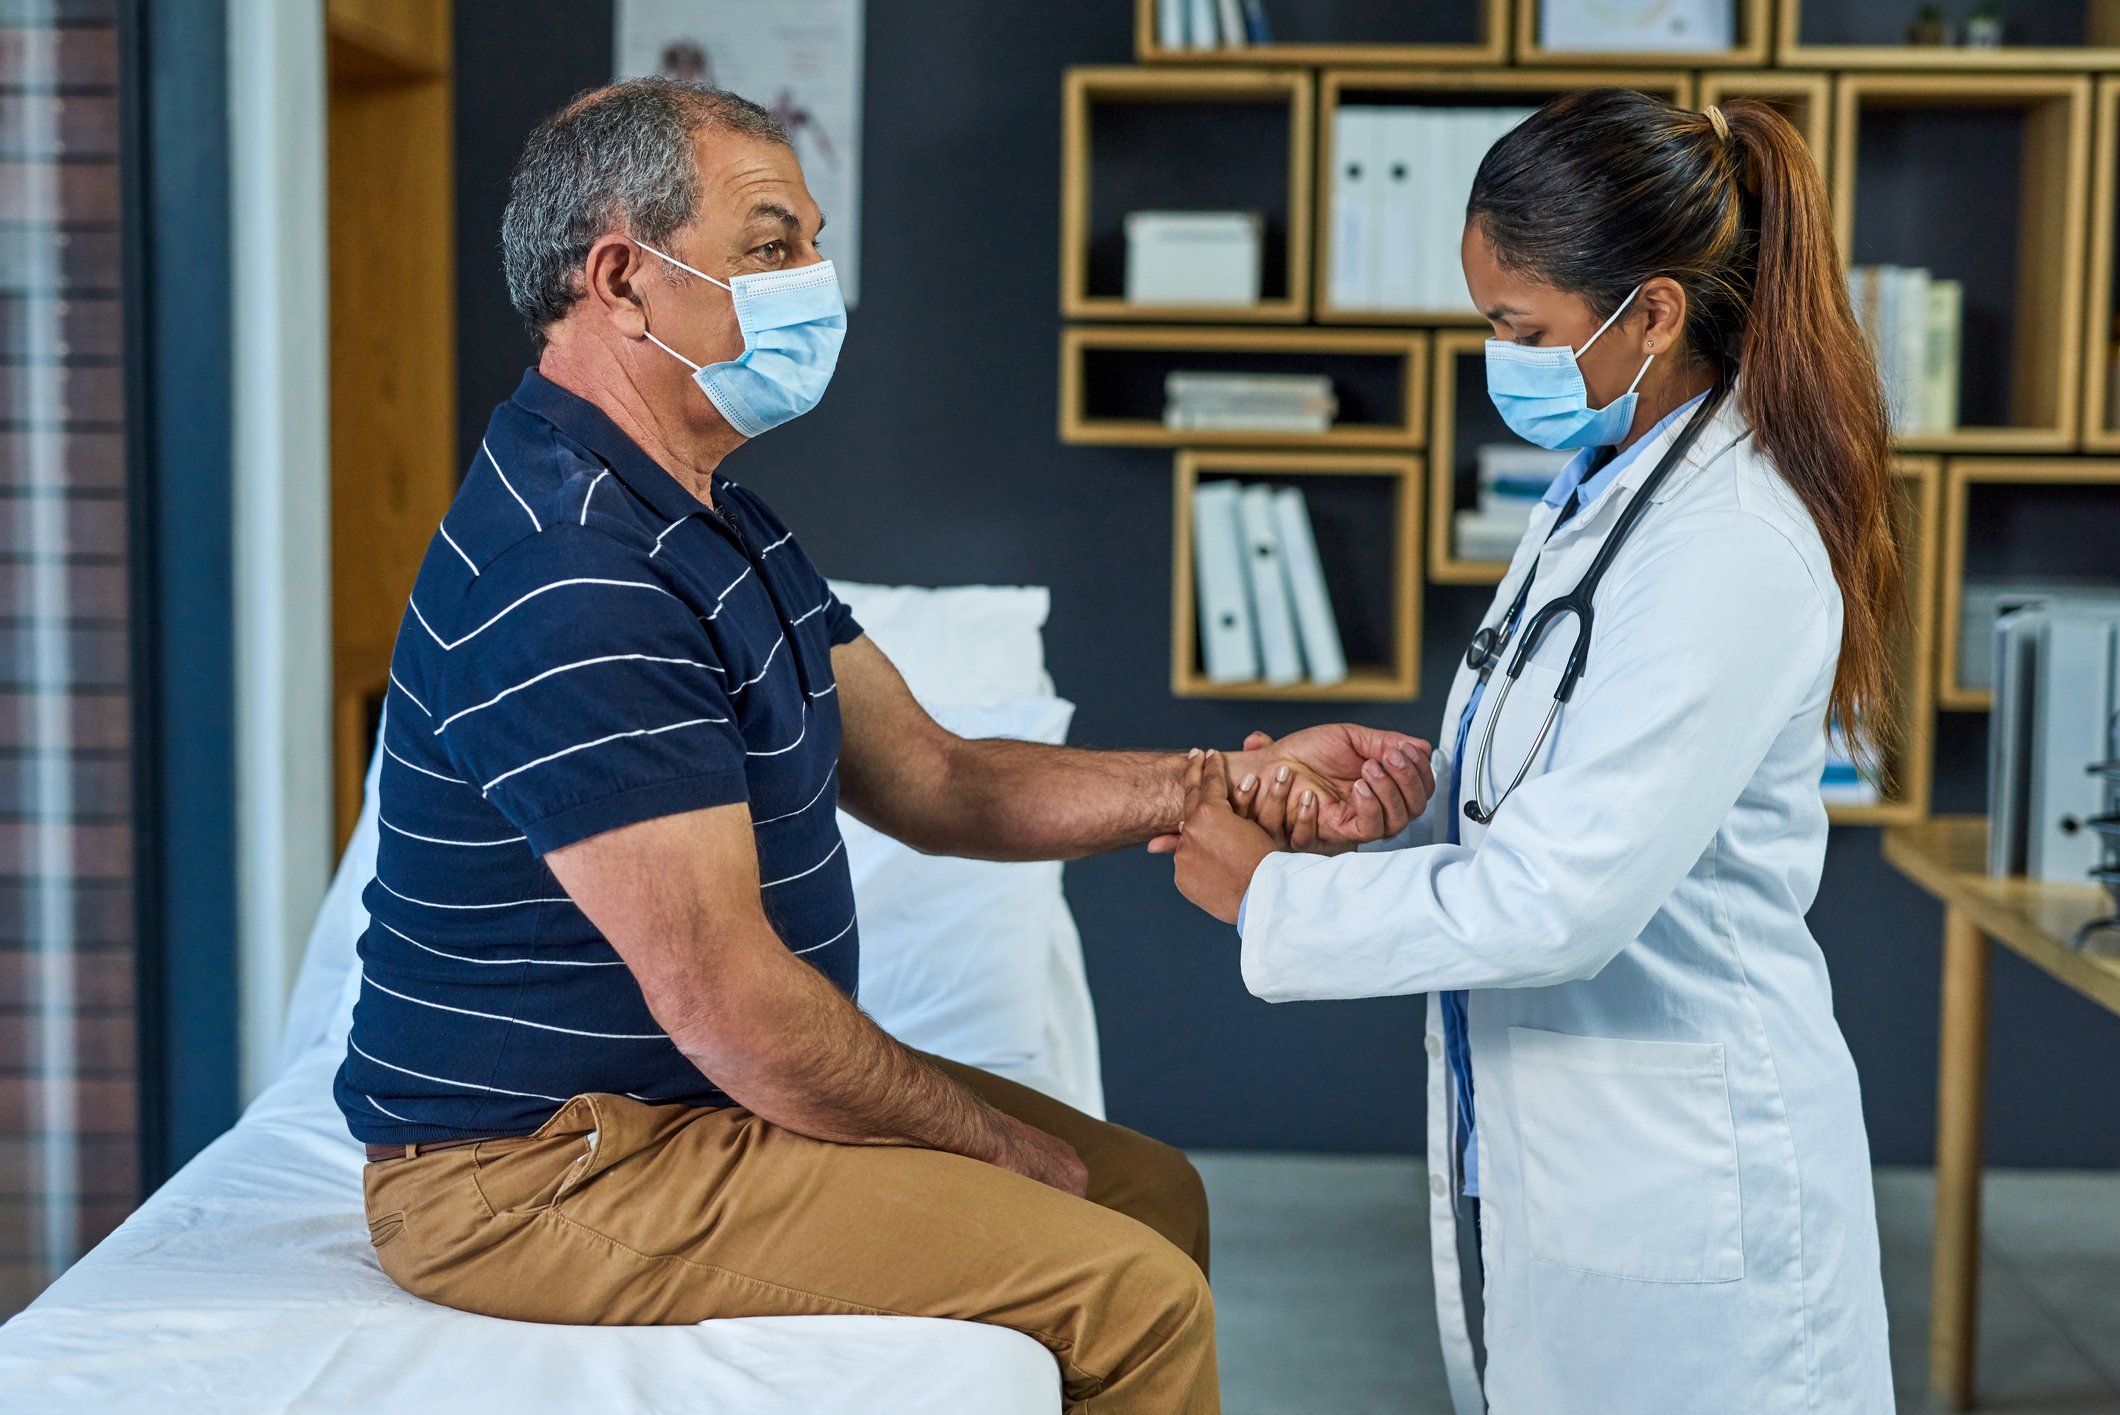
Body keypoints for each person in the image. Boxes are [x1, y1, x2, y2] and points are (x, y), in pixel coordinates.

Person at [337, 79, 1435, 1415]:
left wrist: (1231, 782)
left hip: (682, 1105)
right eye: (771, 245)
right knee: (1125, 1289)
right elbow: (732, 1003)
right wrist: (1002, 1155)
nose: (819, 284)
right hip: (541, 1172)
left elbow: (938, 774)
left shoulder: (702, 515)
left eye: (814, 244)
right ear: (623, 280)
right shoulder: (574, 575)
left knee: (1156, 1194)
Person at [1167, 92, 1898, 1412]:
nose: (1501, 360)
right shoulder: (1609, 489)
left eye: (1524, 332)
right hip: (1581, 1142)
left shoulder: (1730, 541)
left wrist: (1274, 897)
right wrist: (1402, 795)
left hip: (1696, 1176)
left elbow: (1564, 897)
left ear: (1656, 314)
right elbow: (1568, 769)